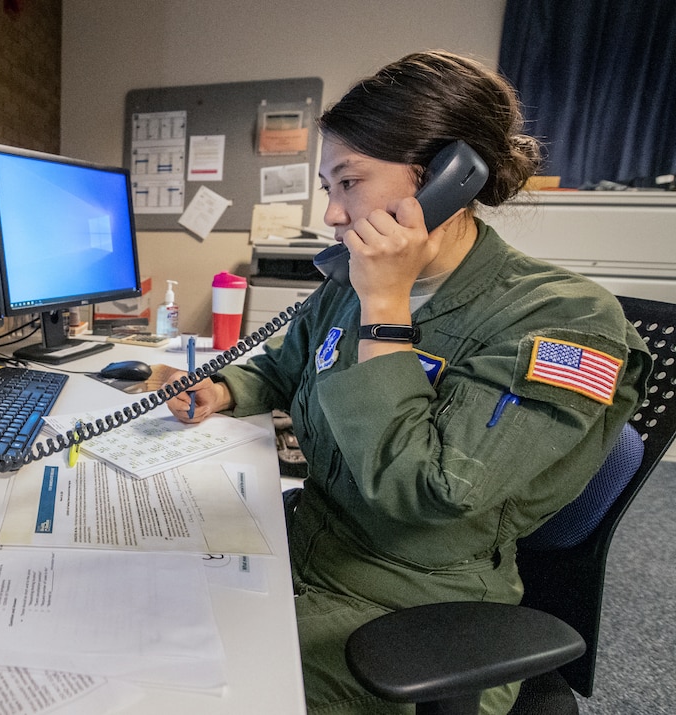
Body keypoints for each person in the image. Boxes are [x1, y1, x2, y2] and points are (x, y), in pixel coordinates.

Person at [164, 50, 652, 714]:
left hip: (414, 619)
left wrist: (385, 313)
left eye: (348, 183)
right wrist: (222, 389)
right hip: (302, 554)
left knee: (169, 681)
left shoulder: (564, 319)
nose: (333, 214)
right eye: (327, 187)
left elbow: (428, 489)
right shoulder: (349, 286)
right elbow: (283, 364)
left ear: (448, 177)